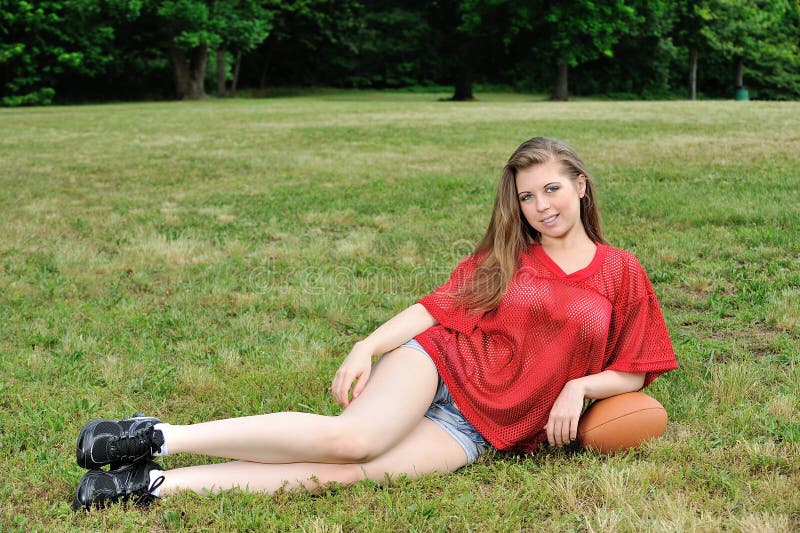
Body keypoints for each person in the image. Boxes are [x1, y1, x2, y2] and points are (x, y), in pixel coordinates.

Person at [72, 137, 678, 510]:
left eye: (551, 189)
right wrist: (366, 347)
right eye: (526, 197)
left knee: (344, 476)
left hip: (484, 429)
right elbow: (435, 309)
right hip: (442, 365)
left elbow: (635, 369)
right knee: (351, 439)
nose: (541, 207)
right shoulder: (509, 258)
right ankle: (156, 436)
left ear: (580, 186)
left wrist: (580, 385)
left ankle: (147, 485)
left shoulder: (621, 272)